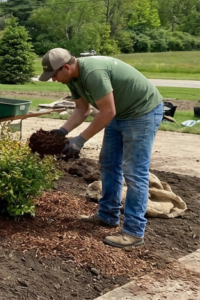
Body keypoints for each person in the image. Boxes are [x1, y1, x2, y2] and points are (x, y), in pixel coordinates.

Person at [39, 48, 163, 249]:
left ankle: (133, 232)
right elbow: (83, 109)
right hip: (119, 113)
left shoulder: (92, 73)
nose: (53, 79)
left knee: (134, 171)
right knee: (108, 162)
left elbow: (107, 111)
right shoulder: (72, 78)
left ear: (66, 67)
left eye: (54, 75)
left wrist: (80, 139)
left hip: (142, 112)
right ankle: (107, 215)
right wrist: (62, 131)